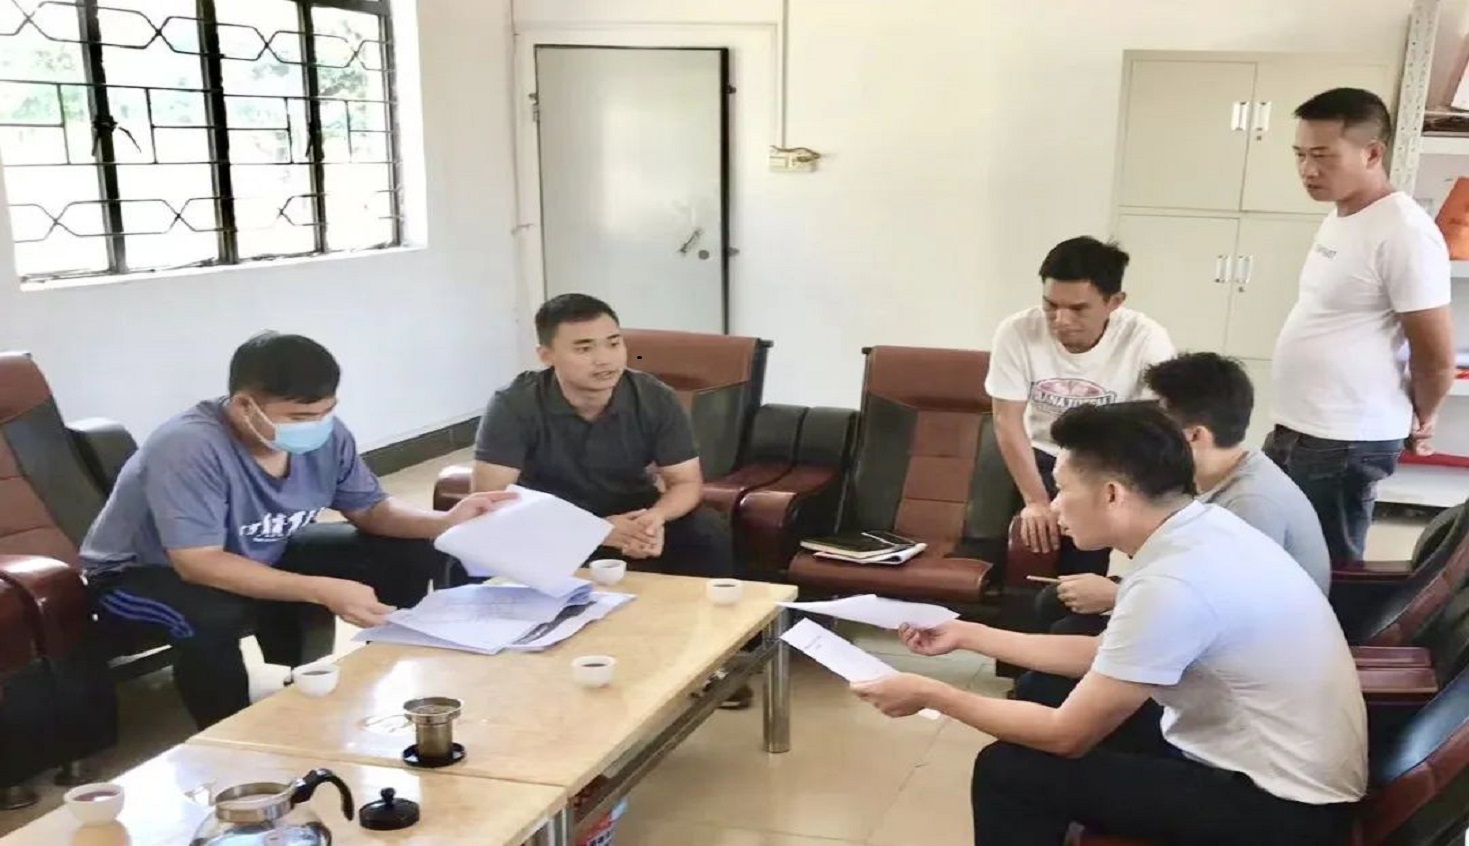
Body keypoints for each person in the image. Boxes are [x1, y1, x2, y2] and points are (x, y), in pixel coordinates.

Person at [851, 403, 1366, 846]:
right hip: (1269, 762)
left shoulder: (1173, 581)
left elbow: (1066, 736)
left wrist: (933, 694)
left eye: (1062, 489)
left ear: (1113, 494)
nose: (1055, 507)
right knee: (1048, 689)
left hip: (1280, 809)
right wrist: (969, 634)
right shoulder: (1199, 529)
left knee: (1007, 770)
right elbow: (1108, 654)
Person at [80, 332, 514, 729]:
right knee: (212, 615)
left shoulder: (325, 435)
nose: (316, 425)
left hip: (261, 548)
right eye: (300, 415)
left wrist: (443, 521)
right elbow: (198, 563)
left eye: (326, 411)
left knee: (409, 550)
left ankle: (384, 675)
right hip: (142, 573)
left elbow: (370, 509)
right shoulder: (188, 446)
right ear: (243, 405)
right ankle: (229, 737)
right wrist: (322, 589)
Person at [470, 294, 748, 708]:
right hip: (548, 521)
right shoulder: (514, 404)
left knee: (706, 531)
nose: (605, 359)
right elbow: (489, 501)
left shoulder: (652, 396)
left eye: (613, 343)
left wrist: (656, 518)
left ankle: (713, 660)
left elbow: (686, 483)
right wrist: (594, 530)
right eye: (584, 348)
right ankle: (500, 657)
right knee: (480, 545)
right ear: (547, 355)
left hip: (633, 510)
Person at [1269, 87, 1456, 566]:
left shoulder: (1404, 232)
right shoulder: (1344, 214)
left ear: (1373, 153)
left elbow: (1436, 357)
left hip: (1345, 436)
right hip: (1301, 424)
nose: (1307, 170)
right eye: (1300, 155)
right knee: (1280, 551)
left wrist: (1424, 416)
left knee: (1327, 566)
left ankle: (1333, 621)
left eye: (1323, 156)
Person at [1050, 353, 1331, 624]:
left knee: (1069, 626)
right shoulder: (1225, 472)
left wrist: (1116, 594)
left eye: (1162, 423)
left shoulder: (1251, 502)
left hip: (1248, 628)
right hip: (1198, 603)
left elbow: (1231, 604)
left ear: (1195, 435)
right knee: (1053, 604)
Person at [986, 236, 1175, 579]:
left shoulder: (1146, 339)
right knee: (1017, 548)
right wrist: (1036, 501)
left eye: (1077, 309)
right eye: (1050, 306)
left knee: (1083, 562)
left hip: (1105, 462)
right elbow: (1006, 420)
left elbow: (1156, 428)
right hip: (1039, 455)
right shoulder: (1016, 332)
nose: (1060, 320)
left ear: (1114, 302)